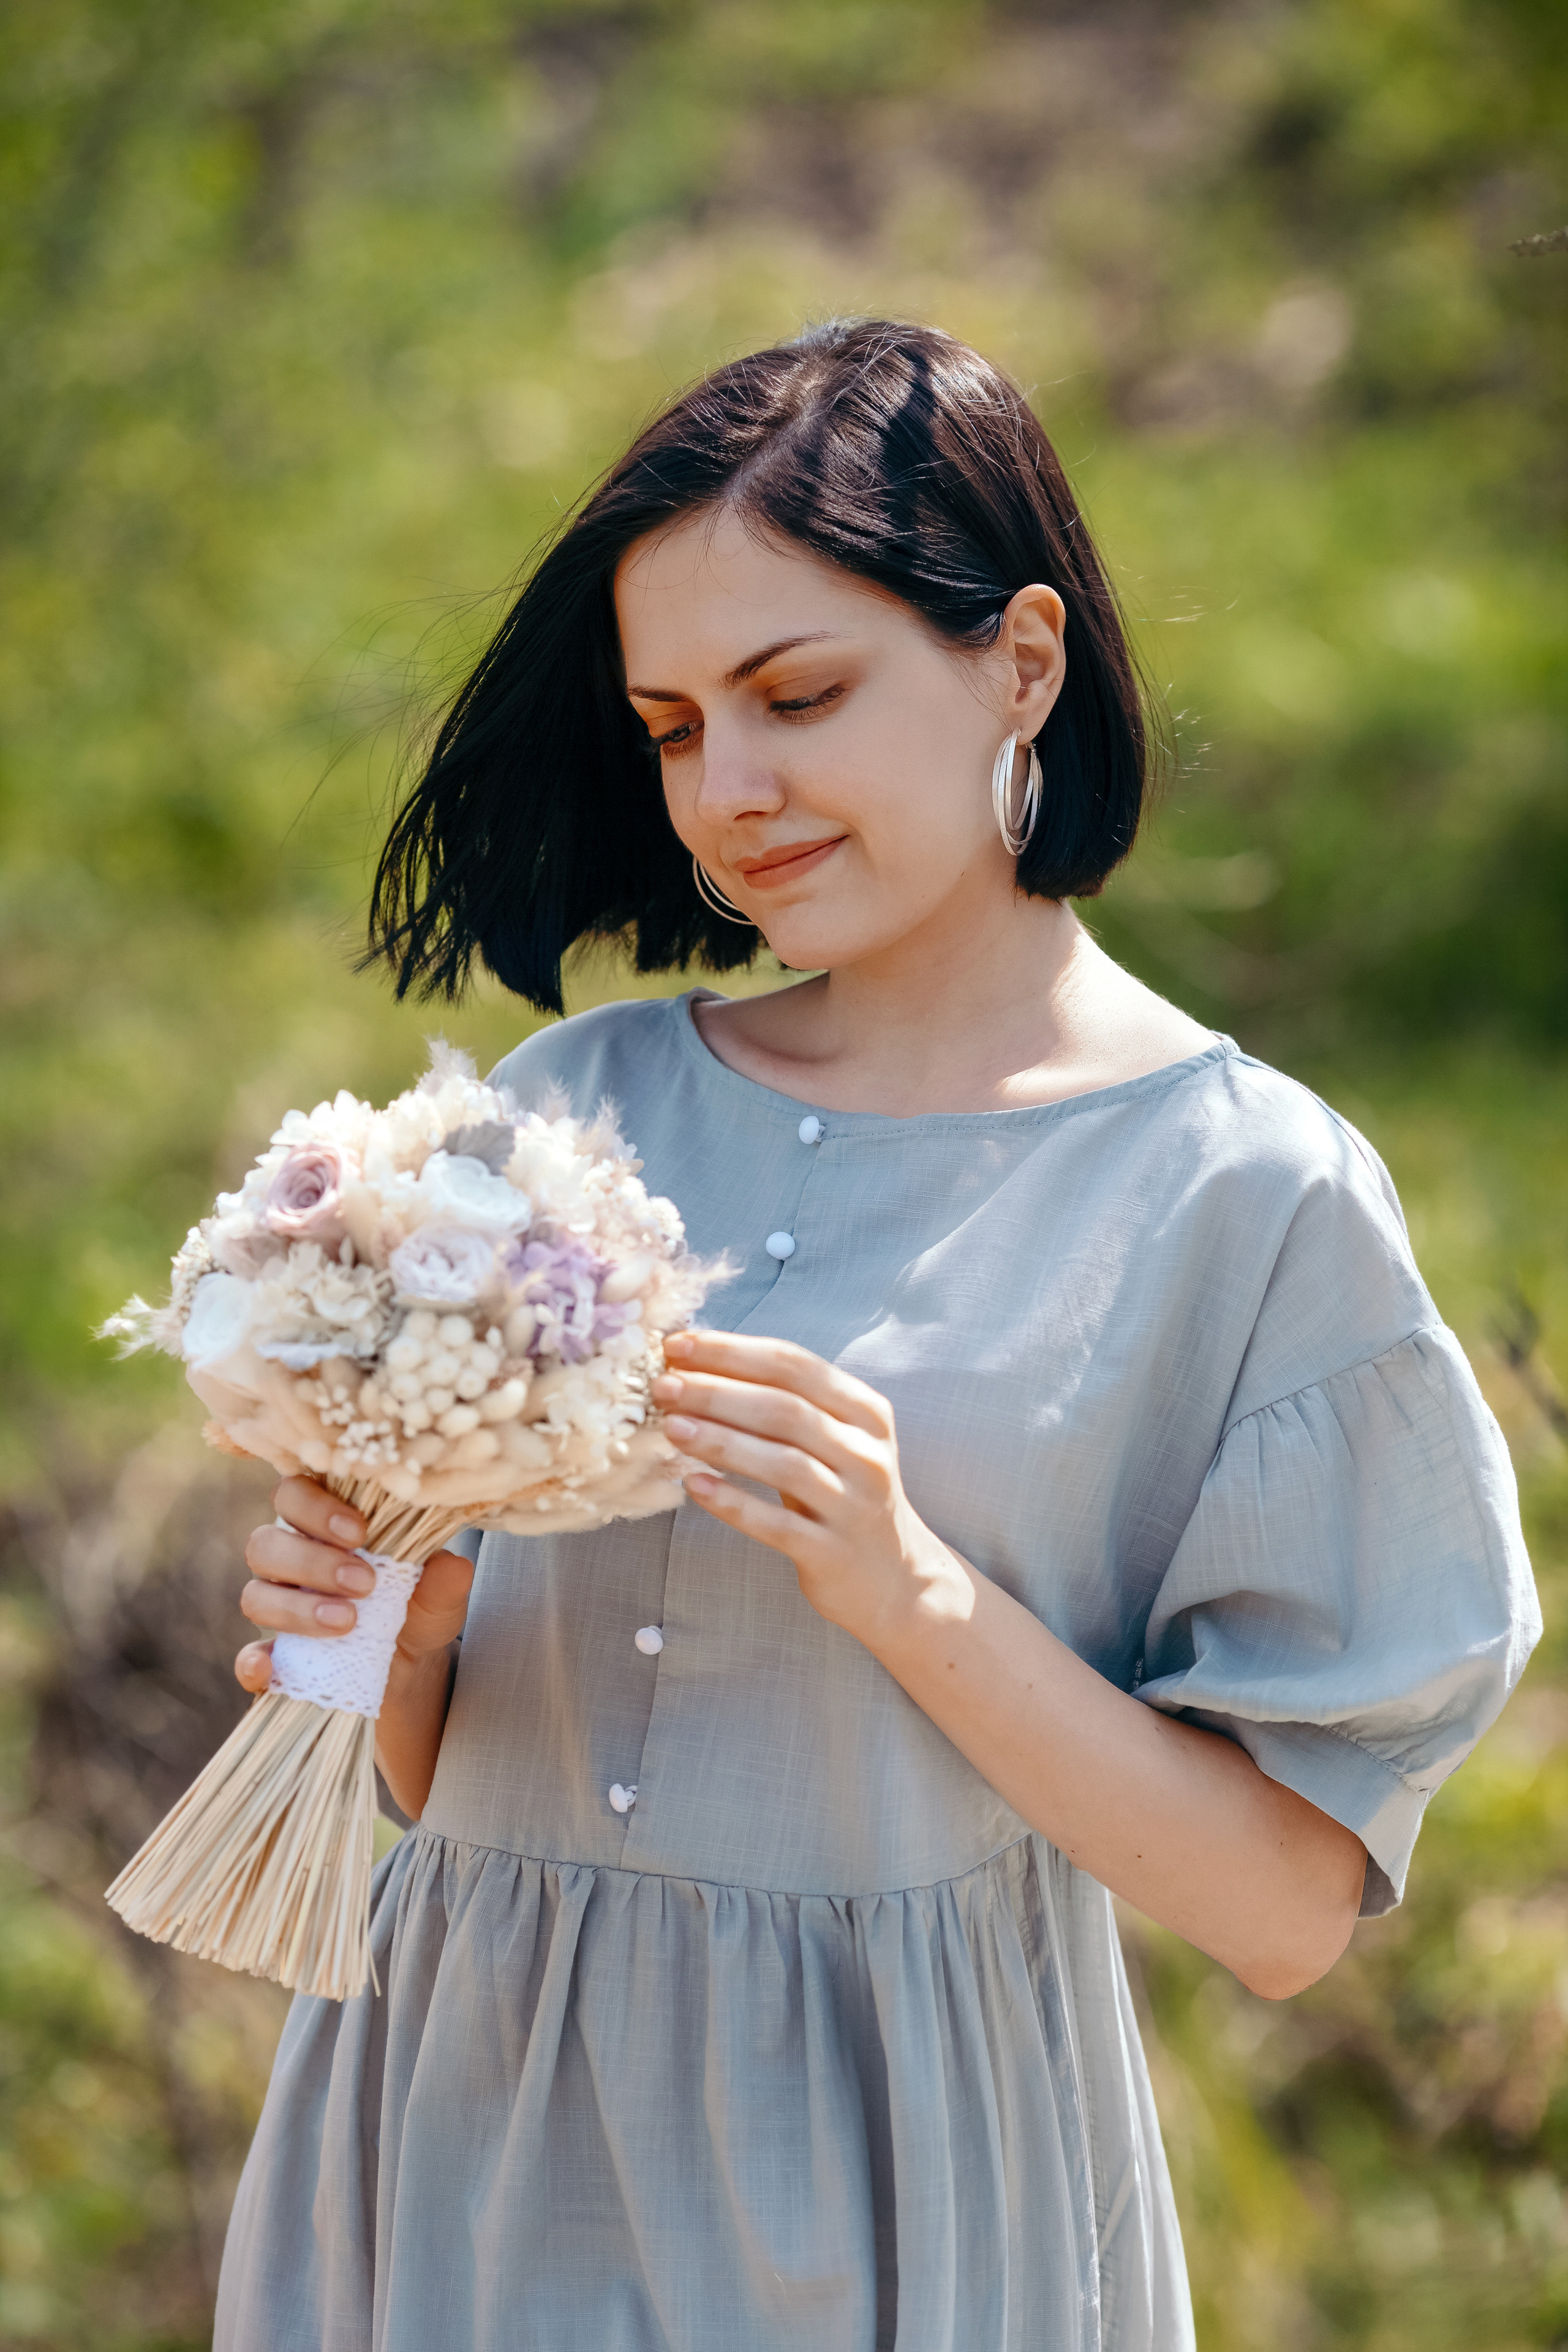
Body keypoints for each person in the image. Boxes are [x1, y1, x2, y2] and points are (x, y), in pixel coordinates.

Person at [213, 320, 1539, 2352]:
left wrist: (918, 1593)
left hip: (898, 2181)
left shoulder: (1247, 1192)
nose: (727, 792)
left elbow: (1283, 1914)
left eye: (797, 695)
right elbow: (458, 1773)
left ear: (1022, 660)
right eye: (671, 728)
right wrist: (387, 1648)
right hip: (447, 2127)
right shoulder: (563, 1107)